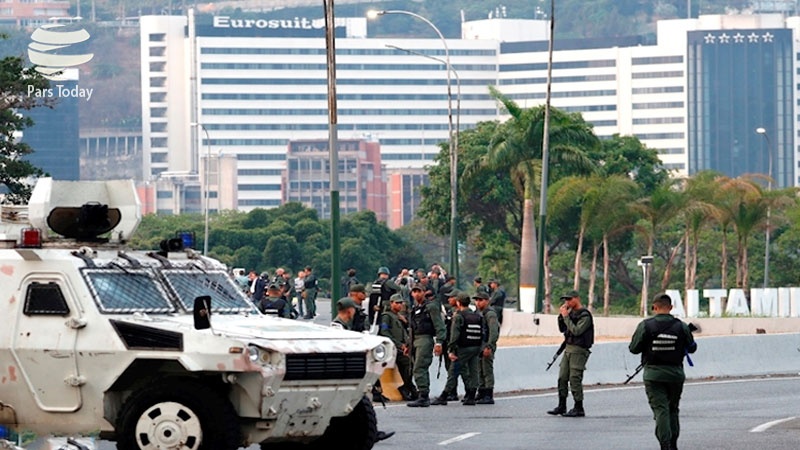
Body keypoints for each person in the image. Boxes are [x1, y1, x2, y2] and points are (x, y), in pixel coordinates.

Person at [629, 293, 697, 450]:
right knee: (673, 409)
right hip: (675, 374)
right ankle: (673, 444)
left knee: (661, 410)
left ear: (654, 307)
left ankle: (665, 444)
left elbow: (634, 348)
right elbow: (692, 348)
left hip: (653, 375)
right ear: (671, 307)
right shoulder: (681, 326)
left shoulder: (646, 325)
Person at [330, 298, 396, 442]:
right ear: (349, 310)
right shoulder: (337, 327)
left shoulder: (348, 325)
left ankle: (368, 431)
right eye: (354, 309)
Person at [547, 290, 594, 418]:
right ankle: (561, 405)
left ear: (576, 299)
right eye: (565, 300)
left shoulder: (584, 315)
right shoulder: (570, 313)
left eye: (569, 299)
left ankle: (578, 407)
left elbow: (577, 331)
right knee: (562, 377)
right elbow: (563, 329)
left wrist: (566, 317)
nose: (567, 302)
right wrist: (562, 316)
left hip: (579, 350)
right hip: (568, 348)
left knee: (574, 378)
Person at [406, 284, 447, 407]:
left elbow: (440, 326)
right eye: (414, 292)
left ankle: (423, 395)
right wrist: (408, 345)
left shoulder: (431, 307)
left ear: (424, 292)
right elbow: (412, 328)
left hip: (425, 339)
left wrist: (439, 342)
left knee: (419, 367)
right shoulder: (415, 308)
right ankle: (422, 394)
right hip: (415, 340)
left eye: (419, 291)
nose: (416, 294)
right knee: (416, 367)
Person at [446, 293, 484, 406]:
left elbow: (454, 335)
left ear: (458, 303)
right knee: (474, 371)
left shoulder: (459, 316)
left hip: (463, 348)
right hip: (476, 347)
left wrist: (451, 349)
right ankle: (471, 395)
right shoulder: (477, 316)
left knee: (453, 370)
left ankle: (445, 394)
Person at [379, 293, 416, 401]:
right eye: (397, 303)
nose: (399, 305)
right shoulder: (386, 316)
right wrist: (399, 345)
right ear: (391, 303)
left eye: (401, 303)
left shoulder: (399, 316)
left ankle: (408, 387)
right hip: (393, 347)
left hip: (402, 346)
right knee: (407, 364)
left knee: (410, 366)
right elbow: (384, 332)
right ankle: (407, 388)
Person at [431, 290, 464, 405]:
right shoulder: (450, 311)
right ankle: (452, 392)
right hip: (447, 343)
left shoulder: (460, 313)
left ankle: (453, 392)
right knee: (449, 368)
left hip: (455, 345)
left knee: (453, 369)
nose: (449, 300)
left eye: (451, 297)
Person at [475, 291, 500, 404]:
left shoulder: (490, 314)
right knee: (479, 369)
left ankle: (488, 394)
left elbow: (493, 331)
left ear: (487, 301)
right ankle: (481, 392)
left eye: (480, 300)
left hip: (486, 345)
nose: (478, 302)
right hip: (479, 345)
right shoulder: (479, 313)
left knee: (487, 370)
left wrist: (489, 346)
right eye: (477, 300)